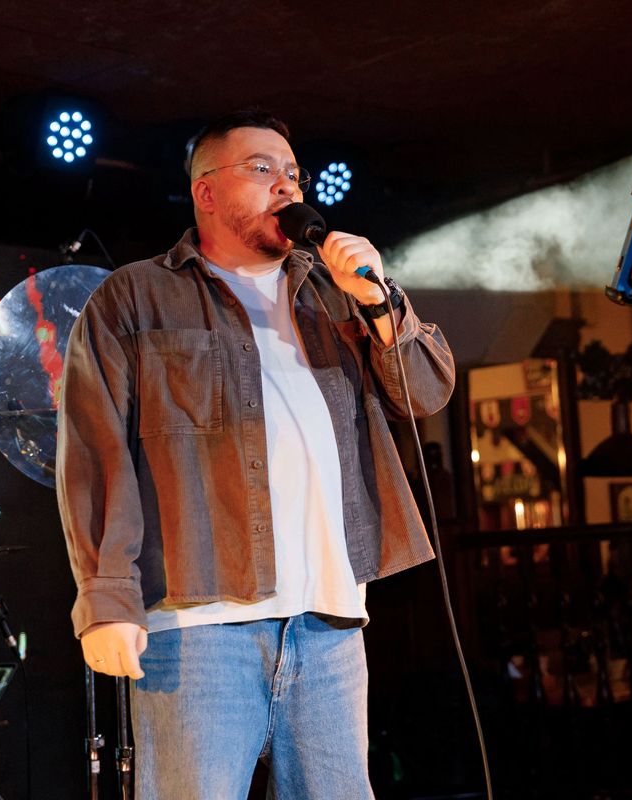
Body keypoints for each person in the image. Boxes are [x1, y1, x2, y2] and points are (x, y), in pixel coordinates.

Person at [57, 109, 455, 798]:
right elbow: (96, 454)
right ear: (206, 191)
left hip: (330, 624)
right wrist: (106, 597)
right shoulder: (136, 297)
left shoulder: (336, 294)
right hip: (198, 631)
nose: (287, 185)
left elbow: (424, 392)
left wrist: (379, 300)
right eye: (262, 168)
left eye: (294, 173)